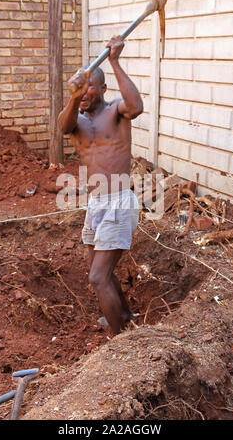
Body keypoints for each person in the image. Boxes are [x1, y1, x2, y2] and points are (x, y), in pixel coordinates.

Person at [58, 35, 143, 335]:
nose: (84, 93)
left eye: (89, 87)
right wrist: (73, 94)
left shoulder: (116, 111)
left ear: (104, 89)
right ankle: (126, 314)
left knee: (97, 277)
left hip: (119, 200)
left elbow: (137, 106)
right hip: (96, 204)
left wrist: (115, 61)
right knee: (101, 273)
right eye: (80, 87)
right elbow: (63, 126)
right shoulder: (76, 119)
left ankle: (117, 342)